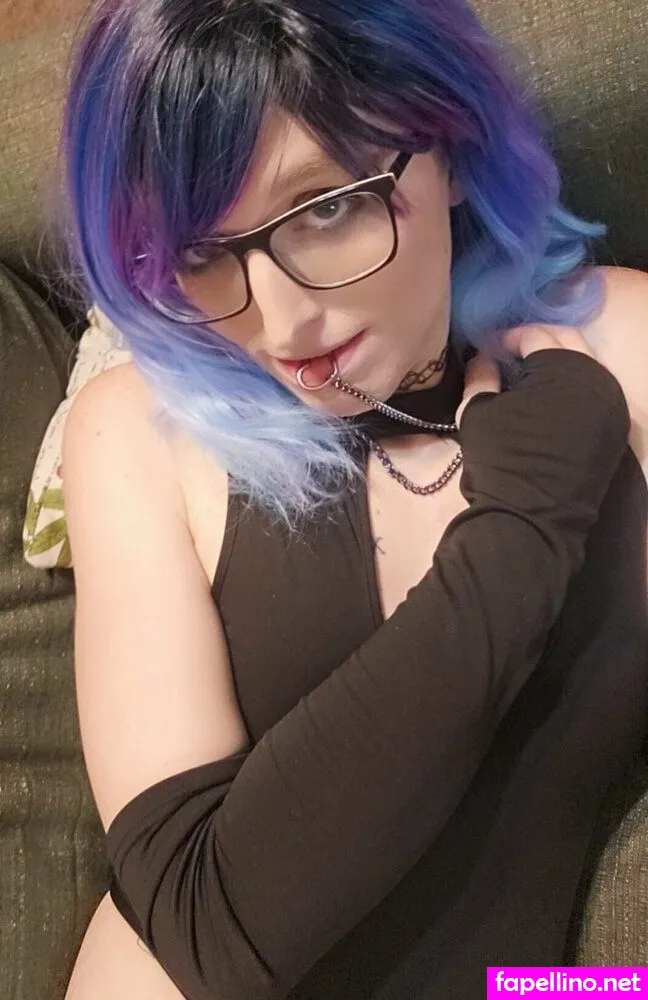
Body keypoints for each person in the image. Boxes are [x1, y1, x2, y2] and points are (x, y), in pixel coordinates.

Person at [60, 0, 648, 998]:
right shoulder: (137, 433)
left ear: (451, 144)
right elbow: (203, 922)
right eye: (201, 252)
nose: (281, 321)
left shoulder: (624, 349)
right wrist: (525, 524)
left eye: (327, 207)